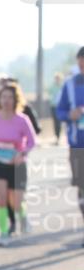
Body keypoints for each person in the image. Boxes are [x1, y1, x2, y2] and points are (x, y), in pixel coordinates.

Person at [0, 83, 35, 246]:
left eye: (10, 97)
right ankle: (4, 232)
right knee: (1, 199)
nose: (6, 101)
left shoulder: (22, 119)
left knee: (17, 202)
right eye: (3, 97)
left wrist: (22, 153)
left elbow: (32, 141)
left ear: (15, 100)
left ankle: (23, 216)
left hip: (17, 164)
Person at [55, 46, 84, 247]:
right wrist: (69, 115)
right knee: (82, 188)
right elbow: (59, 110)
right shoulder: (70, 85)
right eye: (80, 61)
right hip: (77, 145)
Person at [50, 72, 65, 145]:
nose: (57, 80)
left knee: (59, 122)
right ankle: (56, 137)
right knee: (55, 122)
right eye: (56, 79)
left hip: (60, 106)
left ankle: (58, 137)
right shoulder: (52, 87)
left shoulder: (63, 87)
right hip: (53, 106)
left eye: (58, 79)